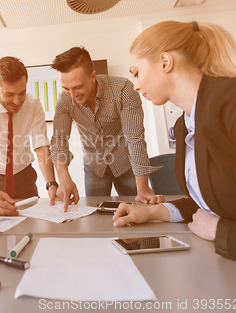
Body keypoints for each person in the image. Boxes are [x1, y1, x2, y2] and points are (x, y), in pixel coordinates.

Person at [113, 20, 236, 264]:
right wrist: (153, 212)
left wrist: (222, 232)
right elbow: (212, 202)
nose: (135, 85)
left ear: (165, 62)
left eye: (136, 72)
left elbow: (216, 220)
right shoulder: (184, 124)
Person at [50, 46, 162, 210]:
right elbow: (59, 141)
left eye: (78, 87)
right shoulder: (64, 101)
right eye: (66, 88)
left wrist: (143, 188)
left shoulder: (123, 89)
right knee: (96, 214)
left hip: (126, 163)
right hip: (94, 167)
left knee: (141, 209)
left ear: (93, 76)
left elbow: (135, 139)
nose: (72, 95)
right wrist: (63, 178)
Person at [0, 56, 57, 215]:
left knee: (29, 226)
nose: (17, 101)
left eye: (22, 92)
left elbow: (40, 144)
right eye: (9, 94)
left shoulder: (34, 104)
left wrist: (51, 183)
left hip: (25, 179)